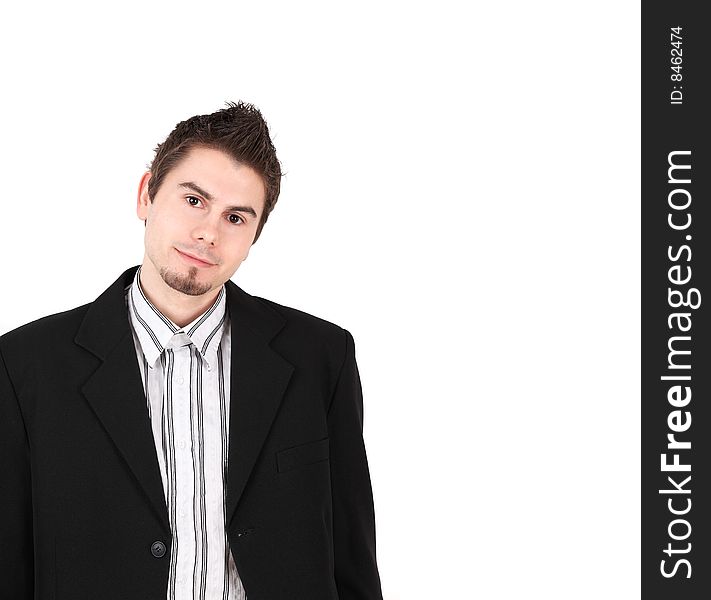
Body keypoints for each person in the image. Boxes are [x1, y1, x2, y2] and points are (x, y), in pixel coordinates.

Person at [0, 101, 384, 600]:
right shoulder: (26, 365)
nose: (209, 233)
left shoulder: (320, 357)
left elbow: (353, 558)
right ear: (147, 195)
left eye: (236, 217)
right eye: (194, 201)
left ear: (254, 236)